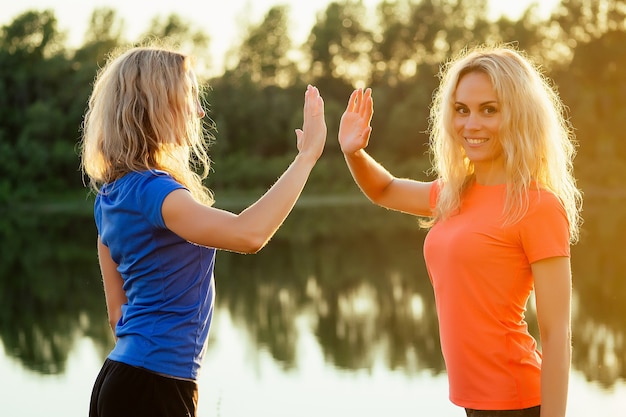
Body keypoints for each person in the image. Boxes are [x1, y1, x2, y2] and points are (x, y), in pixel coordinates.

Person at [79, 44, 326, 417]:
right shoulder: (156, 191)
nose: (199, 110)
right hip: (152, 386)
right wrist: (306, 157)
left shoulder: (111, 196)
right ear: (157, 105)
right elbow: (248, 234)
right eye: (189, 96)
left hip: (121, 379)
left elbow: (118, 316)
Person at [338, 44, 582, 417]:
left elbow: (557, 335)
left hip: (519, 402)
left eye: (490, 110)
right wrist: (353, 153)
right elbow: (383, 189)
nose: (471, 124)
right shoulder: (453, 193)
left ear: (519, 114)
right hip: (473, 402)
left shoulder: (538, 206)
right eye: (461, 110)